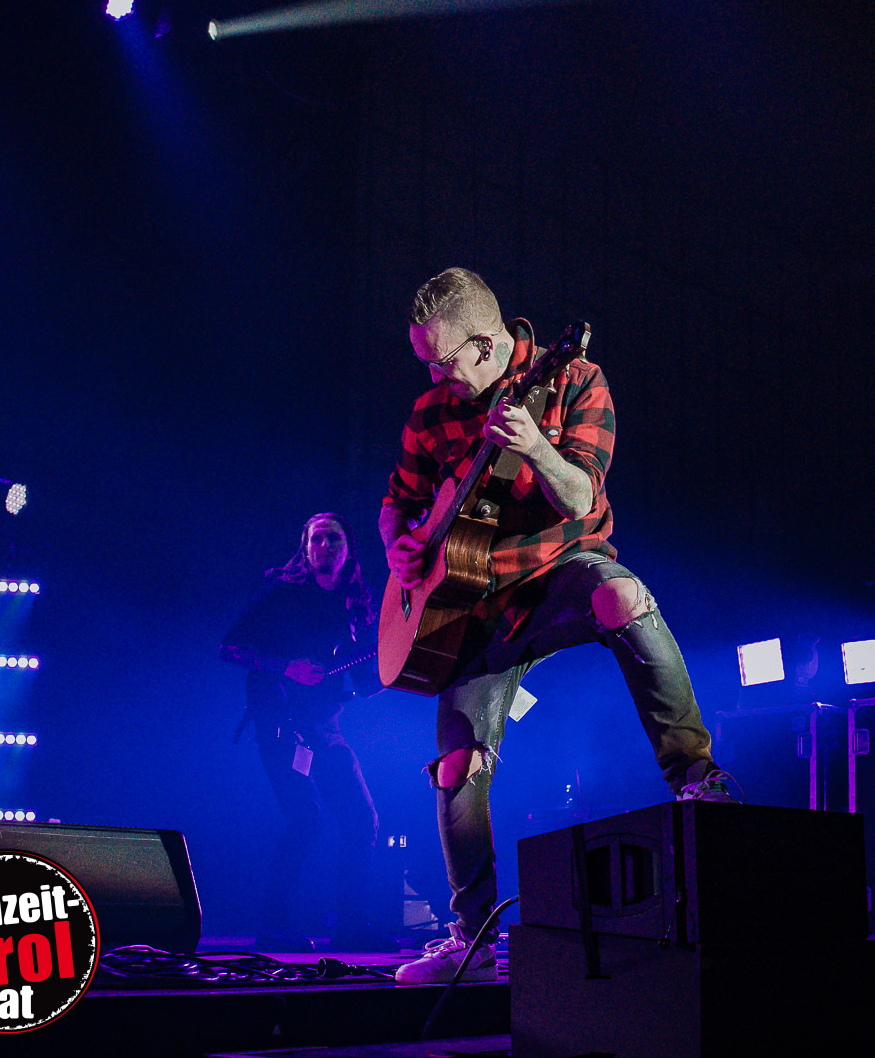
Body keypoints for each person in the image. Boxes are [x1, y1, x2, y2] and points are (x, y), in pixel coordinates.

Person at [379, 268, 734, 986]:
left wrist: (538, 449)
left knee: (623, 597)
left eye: (443, 361)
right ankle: (473, 939)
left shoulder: (574, 378)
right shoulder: (431, 411)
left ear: (486, 345)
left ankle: (699, 779)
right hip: (477, 603)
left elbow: (580, 496)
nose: (436, 376)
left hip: (561, 568)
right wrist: (399, 547)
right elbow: (397, 503)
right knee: (456, 764)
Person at [220, 512, 384, 951]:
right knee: (306, 820)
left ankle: (350, 926)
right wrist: (285, 666)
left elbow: (366, 682)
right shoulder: (282, 594)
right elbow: (229, 647)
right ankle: (273, 927)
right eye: (317, 539)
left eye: (334, 539)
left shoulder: (356, 605)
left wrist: (396, 667)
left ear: (349, 549)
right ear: (306, 547)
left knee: (361, 819)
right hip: (280, 723)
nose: (325, 546)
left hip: (325, 728)